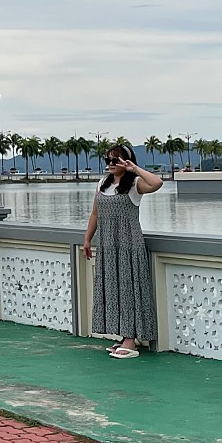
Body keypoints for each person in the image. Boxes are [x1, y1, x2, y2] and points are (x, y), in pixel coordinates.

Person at [82, 144, 165, 358]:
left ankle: (131, 340)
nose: (110, 164)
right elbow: (95, 214)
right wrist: (88, 239)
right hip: (108, 245)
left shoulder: (135, 185)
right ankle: (123, 336)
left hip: (129, 244)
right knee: (113, 289)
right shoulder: (102, 184)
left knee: (129, 289)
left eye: (115, 160)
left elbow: (157, 182)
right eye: (108, 160)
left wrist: (134, 168)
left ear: (125, 162)